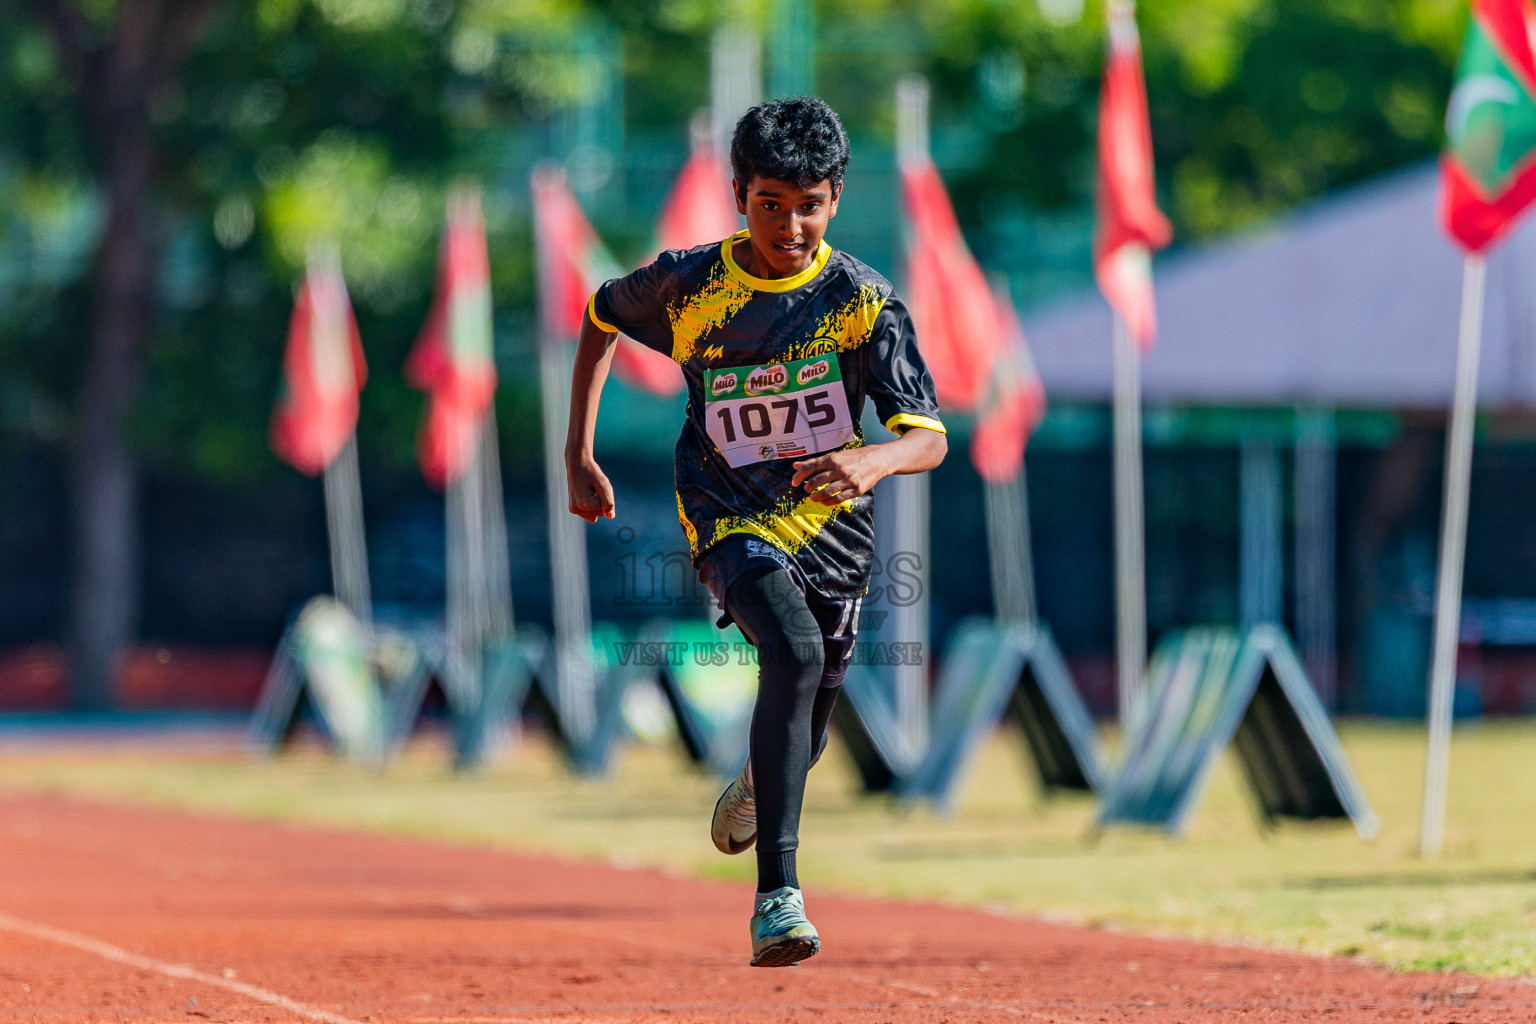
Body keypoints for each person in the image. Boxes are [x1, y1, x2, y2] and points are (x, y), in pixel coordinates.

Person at [565, 96, 946, 967]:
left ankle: (755, 781)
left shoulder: (862, 301)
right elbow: (598, 318)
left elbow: (928, 437)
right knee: (795, 653)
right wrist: (577, 455)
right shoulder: (692, 284)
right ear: (740, 193)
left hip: (834, 530)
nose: (790, 224)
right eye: (770, 202)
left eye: (808, 204)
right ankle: (779, 896)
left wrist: (875, 461)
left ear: (835, 200)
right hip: (726, 511)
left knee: (805, 731)